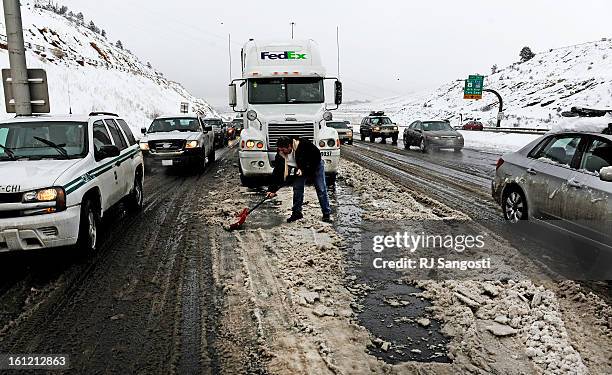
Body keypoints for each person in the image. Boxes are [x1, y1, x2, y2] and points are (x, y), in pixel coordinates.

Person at [266, 136, 332, 223]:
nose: (281, 151)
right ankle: (296, 213)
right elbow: (277, 172)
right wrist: (272, 189)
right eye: (280, 149)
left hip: (315, 165)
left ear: (289, 146)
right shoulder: (280, 153)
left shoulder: (304, 145)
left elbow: (316, 157)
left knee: (321, 189)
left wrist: (304, 170)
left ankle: (326, 213)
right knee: (297, 188)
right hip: (300, 167)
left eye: (283, 149)